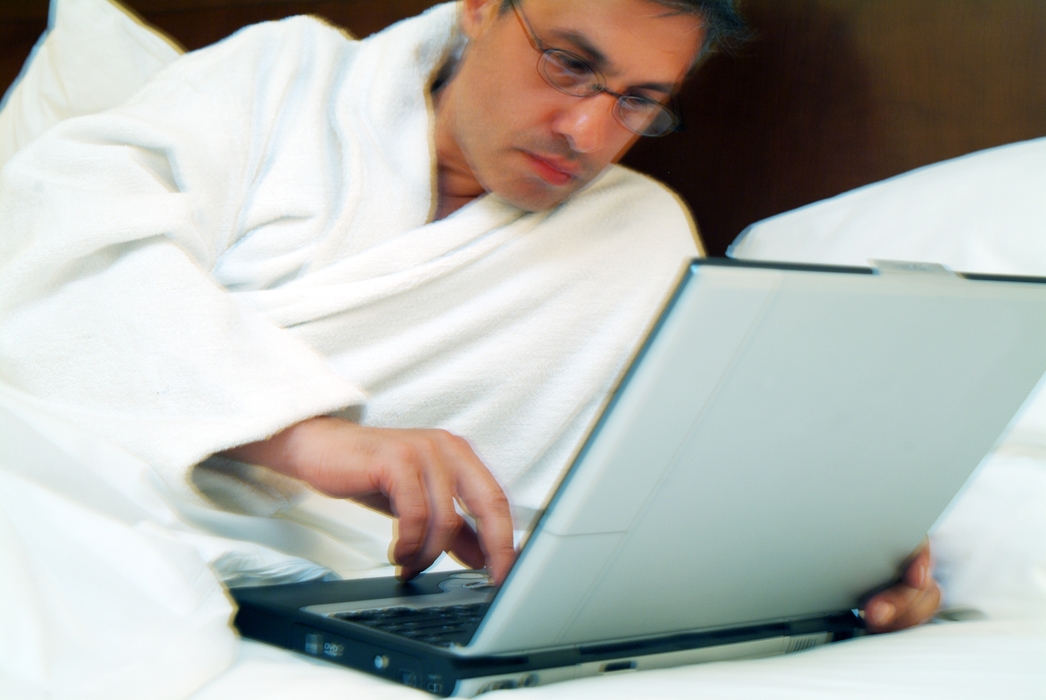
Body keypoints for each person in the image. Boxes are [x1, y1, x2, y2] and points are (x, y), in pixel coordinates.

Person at [0, 0, 936, 655]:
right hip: (76, 494)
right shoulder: (278, 77)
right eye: (570, 63)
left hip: (346, 591)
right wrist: (304, 436)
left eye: (641, 101)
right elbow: (55, 248)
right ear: (481, 6)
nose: (586, 131)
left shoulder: (640, 240)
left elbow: (660, 482)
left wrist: (832, 562)